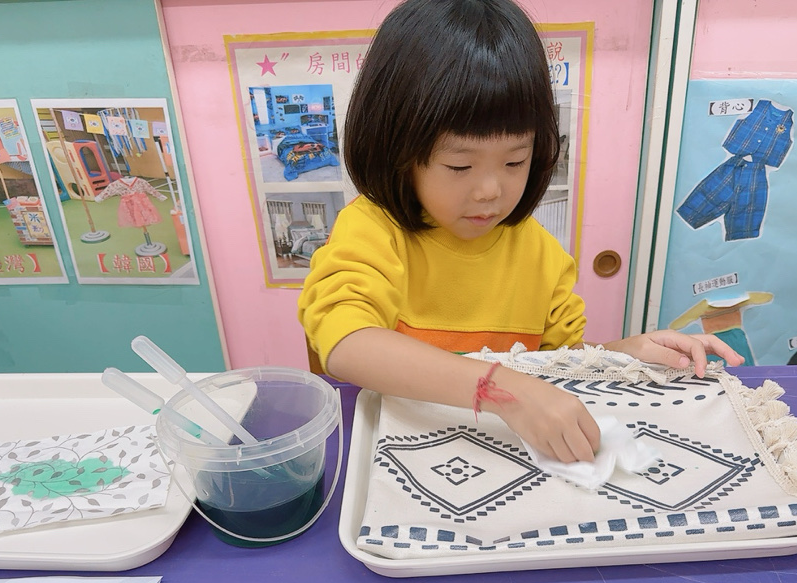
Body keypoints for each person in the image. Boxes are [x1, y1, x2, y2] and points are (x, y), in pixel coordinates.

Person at [298, 0, 743, 464]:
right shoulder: (373, 230)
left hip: (501, 459)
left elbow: (557, 362)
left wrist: (624, 354)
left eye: (515, 161)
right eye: (460, 166)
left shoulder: (539, 253)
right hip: (396, 457)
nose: (491, 191)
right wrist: (502, 390)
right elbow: (347, 344)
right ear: (397, 150)